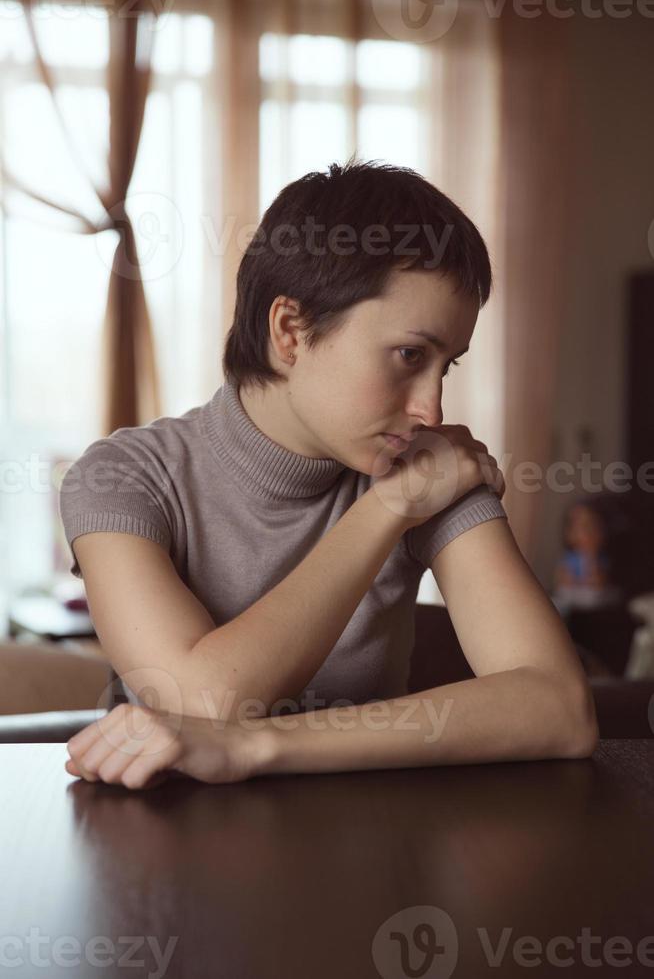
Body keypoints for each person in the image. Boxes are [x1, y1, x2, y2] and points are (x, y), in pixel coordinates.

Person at [60, 159, 598, 790]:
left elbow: (559, 709)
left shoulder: (424, 467)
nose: (432, 408)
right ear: (291, 332)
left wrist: (260, 744)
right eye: (409, 355)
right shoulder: (120, 476)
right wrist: (388, 509)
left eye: (444, 367)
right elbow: (198, 703)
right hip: (165, 848)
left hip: (368, 852)